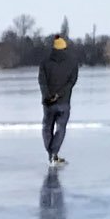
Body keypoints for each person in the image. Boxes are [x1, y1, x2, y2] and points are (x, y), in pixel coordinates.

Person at [38, 35, 79, 168]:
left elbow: (42, 82)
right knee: (61, 128)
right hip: (63, 101)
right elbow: (71, 83)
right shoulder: (73, 63)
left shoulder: (45, 62)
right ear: (65, 47)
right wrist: (58, 95)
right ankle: (53, 153)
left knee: (46, 127)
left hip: (48, 102)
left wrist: (48, 96)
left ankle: (51, 154)